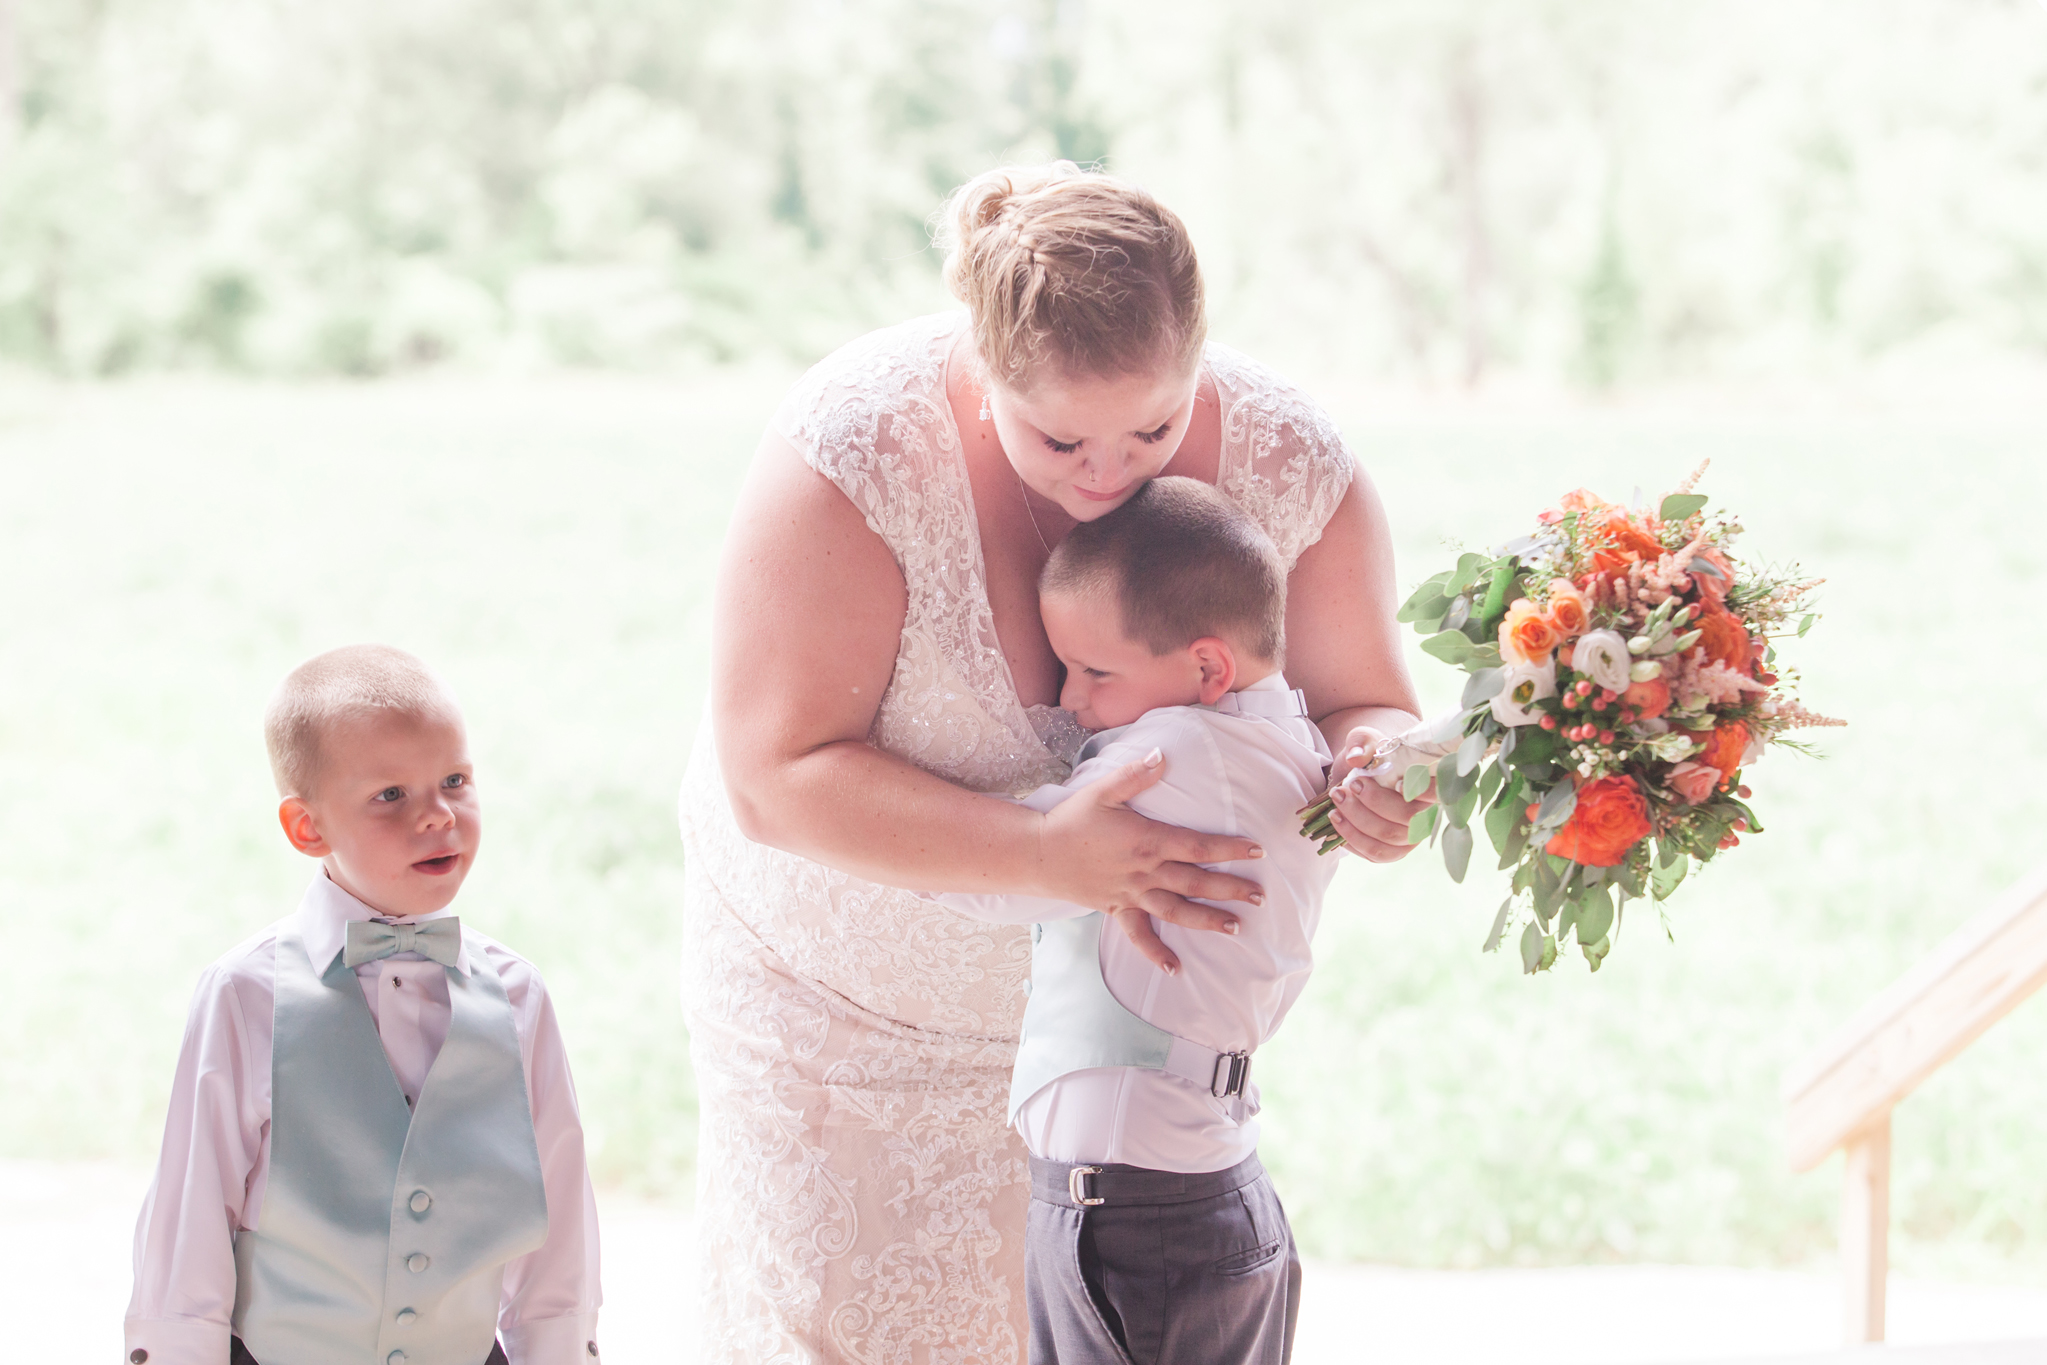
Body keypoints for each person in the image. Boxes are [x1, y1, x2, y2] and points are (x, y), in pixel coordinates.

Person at [682, 161, 1429, 1363]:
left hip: (1132, 1094)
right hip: (848, 1036)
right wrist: (1044, 855)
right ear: (982, 369)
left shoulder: (1290, 459)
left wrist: (1379, 776)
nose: (1108, 473)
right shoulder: (855, 452)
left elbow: (1364, 702)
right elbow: (774, 774)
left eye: (1154, 428)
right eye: (1060, 437)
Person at [937, 477, 1337, 1365]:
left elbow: (1005, 875)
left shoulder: (1176, 754)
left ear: (1207, 670)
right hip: (1182, 1197)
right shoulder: (1289, 743)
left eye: (1095, 672)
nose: (1070, 699)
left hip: (1139, 1215)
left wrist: (850, 829)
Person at [125, 645, 602, 1365]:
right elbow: (191, 1209)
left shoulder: (518, 995)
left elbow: (559, 1216)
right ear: (307, 827)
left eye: (454, 780)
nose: (438, 815)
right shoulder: (245, 993)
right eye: (391, 795)